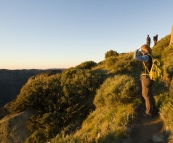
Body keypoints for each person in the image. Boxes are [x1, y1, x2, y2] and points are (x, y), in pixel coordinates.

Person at [133, 44, 158, 118]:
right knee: (148, 94)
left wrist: (136, 51)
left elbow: (135, 57)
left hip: (146, 78)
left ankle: (149, 112)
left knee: (146, 95)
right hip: (149, 78)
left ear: (146, 50)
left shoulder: (146, 57)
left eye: (142, 49)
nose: (141, 51)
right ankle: (153, 110)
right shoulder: (149, 56)